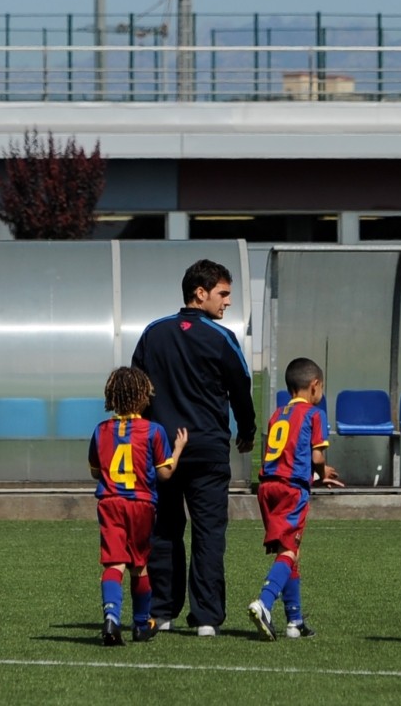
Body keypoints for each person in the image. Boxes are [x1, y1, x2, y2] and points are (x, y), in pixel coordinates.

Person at [129, 257, 256, 637]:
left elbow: (137, 389)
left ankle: (162, 613)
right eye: (223, 293)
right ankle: (205, 618)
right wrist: (246, 430)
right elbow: (241, 387)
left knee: (164, 530)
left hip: (163, 450)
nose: (227, 302)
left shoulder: (153, 333)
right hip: (207, 450)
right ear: (200, 294)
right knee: (209, 532)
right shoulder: (221, 338)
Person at [89, 366, 187, 647]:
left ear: (112, 397)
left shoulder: (101, 431)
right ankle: (142, 624)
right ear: (143, 396)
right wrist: (178, 448)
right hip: (141, 504)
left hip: (109, 502)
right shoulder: (153, 431)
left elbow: (96, 472)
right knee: (139, 565)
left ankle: (111, 617)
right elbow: (166, 473)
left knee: (113, 562)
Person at [247, 356, 342, 641]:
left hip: (267, 487)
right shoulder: (315, 414)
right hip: (291, 488)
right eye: (321, 387)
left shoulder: (278, 414)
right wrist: (323, 471)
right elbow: (316, 455)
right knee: (289, 550)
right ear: (314, 386)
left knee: (288, 552)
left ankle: (295, 620)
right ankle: (264, 602)